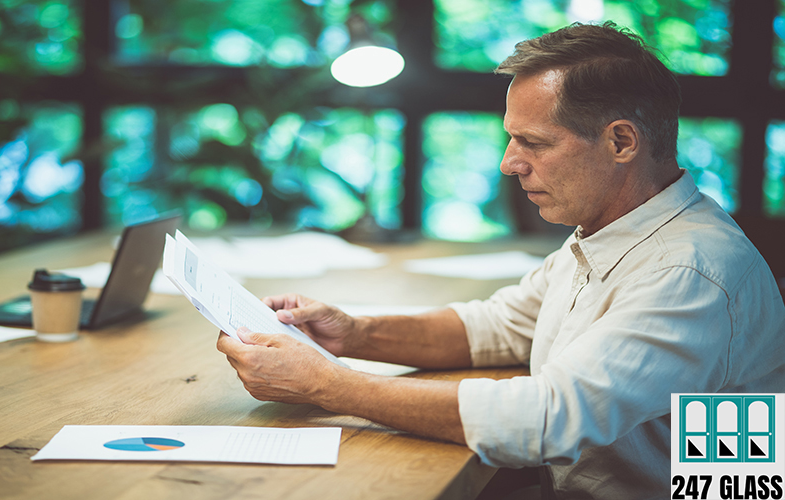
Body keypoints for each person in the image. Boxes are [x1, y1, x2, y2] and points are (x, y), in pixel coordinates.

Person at [217, 22, 785, 499]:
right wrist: (354, 333)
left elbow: (548, 420)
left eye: (533, 142)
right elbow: (498, 326)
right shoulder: (618, 232)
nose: (508, 164)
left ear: (621, 142)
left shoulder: (687, 271)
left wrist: (328, 385)